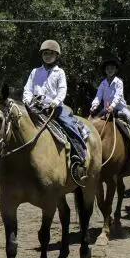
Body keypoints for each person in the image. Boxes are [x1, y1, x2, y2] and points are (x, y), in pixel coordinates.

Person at [22, 39, 88, 185]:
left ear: (56, 55)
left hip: (54, 108)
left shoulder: (60, 72)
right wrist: (27, 100)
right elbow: (27, 89)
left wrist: (56, 102)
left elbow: (62, 90)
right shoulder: (35, 72)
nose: (48, 56)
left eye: (51, 54)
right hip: (35, 108)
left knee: (69, 126)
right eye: (45, 53)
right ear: (42, 55)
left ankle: (79, 158)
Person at [90, 58, 130, 151]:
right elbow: (98, 96)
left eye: (112, 68)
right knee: (93, 122)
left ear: (116, 70)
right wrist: (94, 105)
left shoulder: (119, 82)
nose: (110, 70)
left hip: (119, 108)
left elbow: (118, 96)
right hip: (106, 109)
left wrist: (112, 106)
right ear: (105, 70)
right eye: (108, 68)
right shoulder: (103, 83)